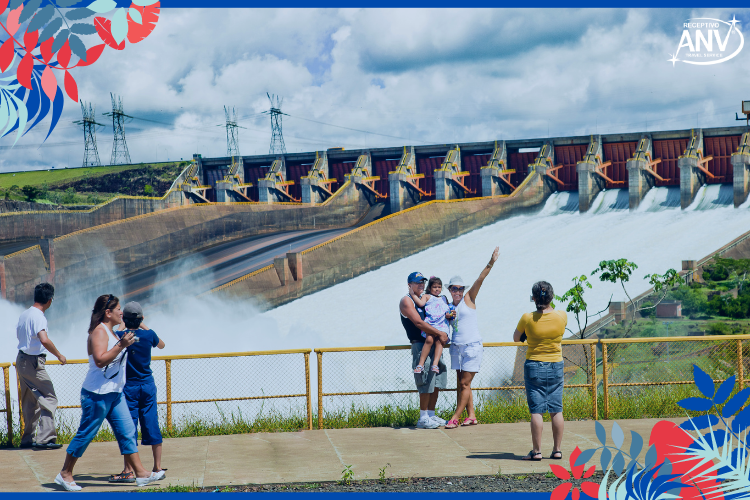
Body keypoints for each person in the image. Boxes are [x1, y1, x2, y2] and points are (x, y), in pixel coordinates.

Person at [55, 295, 164, 491]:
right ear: (108, 312)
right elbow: (99, 360)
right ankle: (65, 473)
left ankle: (140, 473)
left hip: (115, 393)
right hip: (97, 394)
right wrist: (122, 345)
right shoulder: (100, 332)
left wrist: (124, 341)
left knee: (128, 431)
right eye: (119, 309)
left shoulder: (112, 332)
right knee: (86, 433)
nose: (121, 312)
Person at [109, 302, 166, 484]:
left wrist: (124, 323)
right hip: (148, 385)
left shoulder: (120, 336)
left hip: (129, 388)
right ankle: (157, 468)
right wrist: (143, 324)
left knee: (129, 427)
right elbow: (162, 345)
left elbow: (114, 334)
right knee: (151, 424)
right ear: (141, 318)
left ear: (124, 318)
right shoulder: (149, 335)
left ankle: (128, 471)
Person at [444, 247, 499, 430]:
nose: (458, 292)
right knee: (462, 385)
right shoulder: (449, 306)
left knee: (464, 383)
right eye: (454, 289)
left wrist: (491, 262)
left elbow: (480, 279)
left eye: (460, 288)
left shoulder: (469, 298)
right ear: (450, 290)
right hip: (457, 348)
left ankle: (455, 417)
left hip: (472, 347)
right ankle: (472, 416)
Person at [513, 281, 567, 461]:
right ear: (551, 297)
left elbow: (516, 338)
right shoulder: (562, 316)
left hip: (534, 365)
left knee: (537, 410)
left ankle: (536, 452)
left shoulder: (527, 318)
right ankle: (557, 450)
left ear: (534, 298)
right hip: (556, 365)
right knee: (556, 409)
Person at [16, 282, 66, 449]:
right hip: (33, 362)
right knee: (49, 398)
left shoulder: (24, 314)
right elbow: (43, 339)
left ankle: (27, 439)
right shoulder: (39, 316)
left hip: (21, 360)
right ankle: (45, 438)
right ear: (50, 300)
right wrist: (59, 355)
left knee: (30, 401)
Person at [399, 272, 449, 429]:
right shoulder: (407, 301)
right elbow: (419, 323)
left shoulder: (428, 298)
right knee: (426, 379)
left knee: (436, 378)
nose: (421, 285)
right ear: (410, 285)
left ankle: (431, 414)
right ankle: (423, 417)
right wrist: (440, 333)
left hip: (434, 342)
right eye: (417, 282)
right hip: (421, 344)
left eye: (422, 282)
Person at [409, 277, 453, 375]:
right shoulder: (427, 296)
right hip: (432, 323)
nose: (437, 289)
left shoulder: (444, 298)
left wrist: (449, 315)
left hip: (442, 324)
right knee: (429, 340)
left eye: (439, 287)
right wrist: (412, 294)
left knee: (439, 342)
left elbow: (447, 310)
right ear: (429, 288)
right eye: (434, 287)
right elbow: (420, 303)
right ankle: (421, 364)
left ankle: (435, 364)